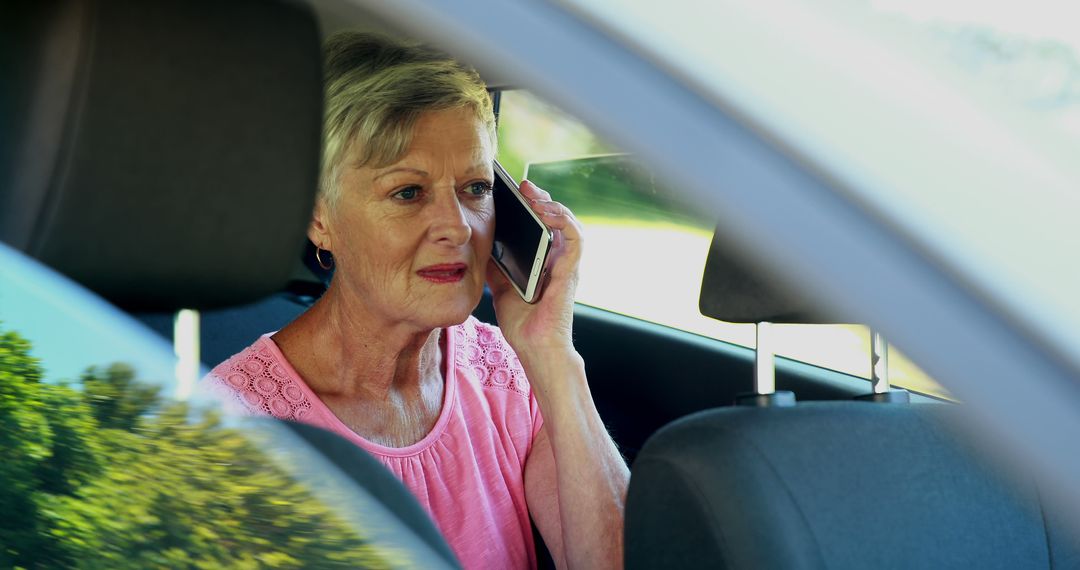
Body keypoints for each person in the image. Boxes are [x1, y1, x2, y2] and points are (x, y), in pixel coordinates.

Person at [205, 32, 629, 569]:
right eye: (408, 193)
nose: (457, 227)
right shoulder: (232, 430)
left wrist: (551, 354)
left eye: (475, 188)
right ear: (319, 218)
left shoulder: (501, 372)